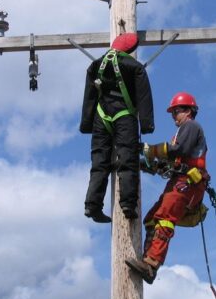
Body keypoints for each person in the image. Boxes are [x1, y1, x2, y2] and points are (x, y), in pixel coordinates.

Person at [126, 92, 208, 284]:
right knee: (152, 219)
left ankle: (151, 263)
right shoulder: (181, 132)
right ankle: (147, 260)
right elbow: (172, 163)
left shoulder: (191, 126)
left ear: (188, 111)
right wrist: (148, 164)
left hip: (188, 183)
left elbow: (178, 151)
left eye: (176, 111)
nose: (173, 116)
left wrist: (150, 150)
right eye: (172, 112)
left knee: (164, 218)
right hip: (179, 180)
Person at [80, 33, 155, 223]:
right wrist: (146, 124)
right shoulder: (135, 67)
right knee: (127, 159)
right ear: (130, 49)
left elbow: (89, 95)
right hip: (124, 116)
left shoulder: (96, 65)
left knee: (99, 163)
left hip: (101, 116)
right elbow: (144, 96)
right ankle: (128, 204)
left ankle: (92, 205)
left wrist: (86, 124)